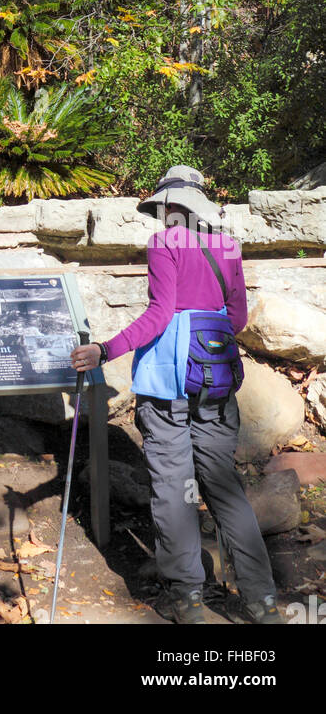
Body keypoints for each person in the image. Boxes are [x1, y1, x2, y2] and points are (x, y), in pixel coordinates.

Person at [70, 165, 282, 626]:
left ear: (170, 206)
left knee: (174, 489)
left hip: (169, 383)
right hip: (217, 379)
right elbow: (238, 317)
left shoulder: (164, 244)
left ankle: (187, 599)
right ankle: (262, 601)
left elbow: (160, 314)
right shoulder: (227, 245)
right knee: (224, 487)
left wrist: (106, 349)